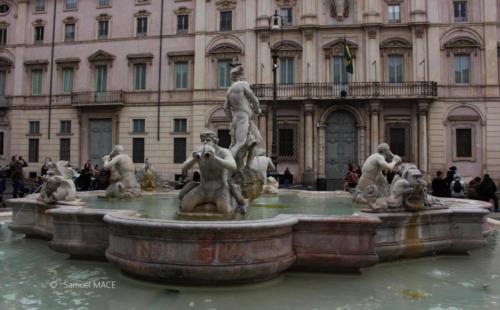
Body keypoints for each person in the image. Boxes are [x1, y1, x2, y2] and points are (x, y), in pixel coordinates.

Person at [224, 64, 262, 169]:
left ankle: (247, 167)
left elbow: (225, 108)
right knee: (239, 144)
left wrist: (232, 120)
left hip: (237, 119)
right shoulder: (243, 85)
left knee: (255, 141)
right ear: (240, 76)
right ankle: (227, 167)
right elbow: (254, 99)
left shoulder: (229, 91)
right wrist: (257, 110)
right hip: (243, 118)